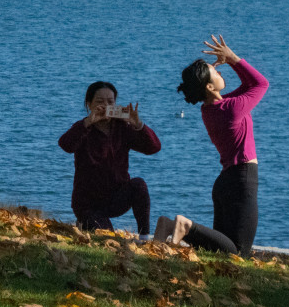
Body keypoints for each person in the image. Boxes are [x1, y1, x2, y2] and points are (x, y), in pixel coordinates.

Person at [154, 35, 268, 255]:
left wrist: (229, 61)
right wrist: (233, 58)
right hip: (242, 179)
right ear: (208, 85)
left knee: (219, 251)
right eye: (215, 72)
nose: (220, 71)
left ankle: (172, 225)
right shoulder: (232, 109)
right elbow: (260, 84)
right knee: (239, 252)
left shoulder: (211, 110)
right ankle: (184, 226)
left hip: (226, 182)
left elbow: (248, 86)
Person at [58, 81, 160, 237]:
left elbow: (153, 147)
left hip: (116, 197)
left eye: (110, 102)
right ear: (89, 104)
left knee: (139, 185)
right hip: (88, 204)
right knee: (108, 238)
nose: (105, 106)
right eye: (99, 102)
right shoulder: (83, 127)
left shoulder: (123, 127)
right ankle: (86, 223)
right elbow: (65, 145)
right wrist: (88, 122)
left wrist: (138, 124)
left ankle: (144, 237)